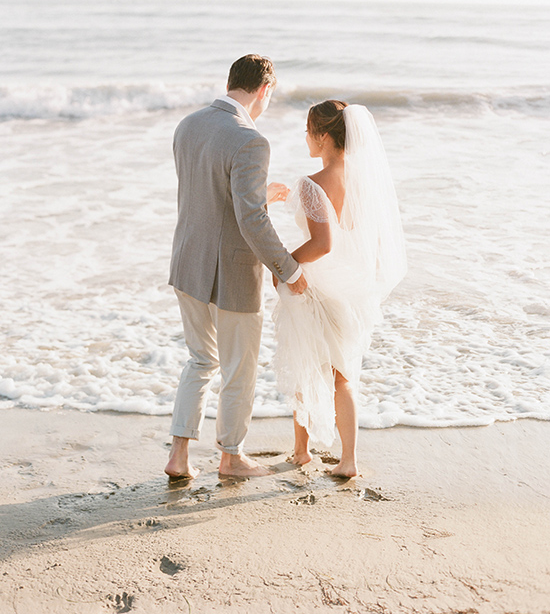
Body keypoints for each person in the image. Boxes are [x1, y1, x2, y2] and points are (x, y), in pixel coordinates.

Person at [165, 54, 307, 479]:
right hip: (231, 274)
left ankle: (178, 457)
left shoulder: (188, 125)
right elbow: (251, 221)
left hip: (187, 262)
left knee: (200, 361)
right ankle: (231, 458)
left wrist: (260, 192)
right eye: (271, 96)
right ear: (264, 89)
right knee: (238, 369)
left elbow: (207, 192)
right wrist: (288, 269)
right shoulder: (251, 140)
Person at [272, 100, 407, 477]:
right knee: (344, 377)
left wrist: (284, 265)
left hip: (316, 287)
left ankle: (302, 452)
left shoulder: (313, 184)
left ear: (324, 136)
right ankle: (348, 460)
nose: (305, 136)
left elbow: (321, 244)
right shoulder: (366, 182)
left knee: (306, 366)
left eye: (308, 130)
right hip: (353, 289)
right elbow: (374, 244)